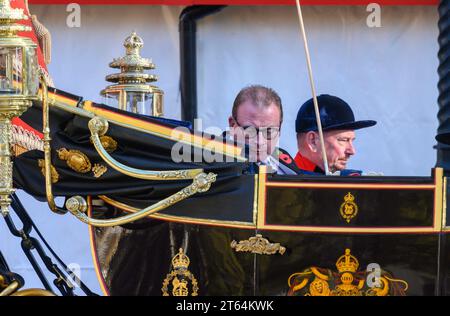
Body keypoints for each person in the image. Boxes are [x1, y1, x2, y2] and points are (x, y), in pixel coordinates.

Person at [294, 94, 376, 174]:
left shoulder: (352, 182)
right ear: (313, 141)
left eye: (352, 141)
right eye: (343, 140)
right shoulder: (287, 185)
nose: (352, 151)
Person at [228, 85, 299, 175]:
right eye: (250, 131)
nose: (260, 142)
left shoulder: (284, 163)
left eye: (269, 132)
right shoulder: (212, 165)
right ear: (232, 125)